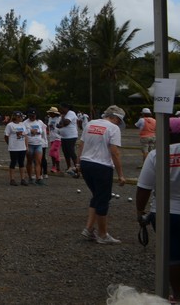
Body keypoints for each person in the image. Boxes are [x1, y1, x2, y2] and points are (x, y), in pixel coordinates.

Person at [136, 112, 180, 298]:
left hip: (165, 213)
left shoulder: (157, 154)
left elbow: (144, 188)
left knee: (172, 257)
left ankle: (178, 294)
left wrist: (140, 211)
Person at [77, 105, 127, 244]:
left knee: (97, 196)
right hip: (102, 166)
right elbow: (114, 152)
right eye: (119, 121)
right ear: (116, 118)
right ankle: (103, 234)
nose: (118, 123)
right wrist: (120, 174)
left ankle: (88, 229)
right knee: (103, 200)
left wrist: (78, 164)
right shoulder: (113, 128)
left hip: (86, 163)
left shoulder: (90, 124)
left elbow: (81, 144)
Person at [57, 103, 80, 177]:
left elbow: (66, 122)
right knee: (65, 152)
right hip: (64, 137)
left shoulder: (71, 113)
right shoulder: (64, 115)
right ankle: (69, 167)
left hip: (71, 136)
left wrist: (63, 119)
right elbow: (59, 124)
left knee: (71, 152)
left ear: (66, 108)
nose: (60, 110)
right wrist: (62, 122)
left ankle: (77, 168)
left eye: (61, 108)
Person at [24, 109, 47, 186]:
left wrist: (44, 141)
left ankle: (38, 178)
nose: (32, 117)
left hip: (38, 144)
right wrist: (30, 131)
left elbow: (43, 130)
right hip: (30, 144)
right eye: (31, 116)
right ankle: (30, 177)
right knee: (29, 161)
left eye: (33, 116)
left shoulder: (39, 122)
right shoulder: (25, 123)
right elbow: (25, 133)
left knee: (38, 162)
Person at [5, 111, 28, 186]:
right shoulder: (10, 125)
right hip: (14, 147)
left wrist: (26, 146)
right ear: (16, 117)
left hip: (22, 147)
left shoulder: (23, 124)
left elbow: (25, 136)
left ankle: (23, 179)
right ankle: (12, 179)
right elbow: (6, 136)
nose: (21, 118)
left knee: (21, 163)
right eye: (20, 117)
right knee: (13, 162)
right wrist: (10, 143)